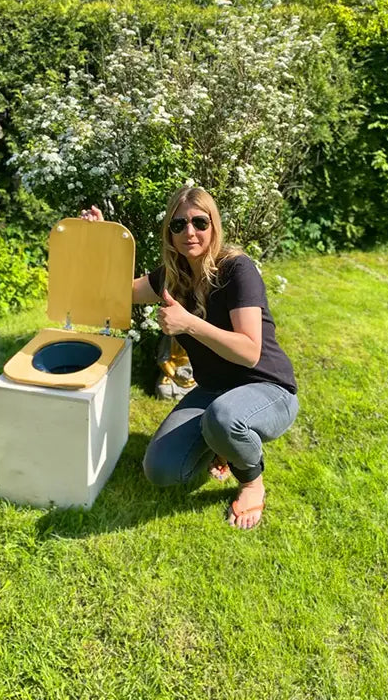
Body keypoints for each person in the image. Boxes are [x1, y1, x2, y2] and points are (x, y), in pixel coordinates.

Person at [80, 186, 298, 530]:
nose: (190, 233)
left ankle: (251, 480)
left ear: (215, 225)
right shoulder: (172, 277)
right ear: (169, 232)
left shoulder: (237, 270)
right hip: (215, 391)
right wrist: (99, 241)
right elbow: (117, 291)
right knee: (162, 470)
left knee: (225, 418)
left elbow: (249, 351)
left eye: (199, 222)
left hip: (268, 388)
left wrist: (190, 323)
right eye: (178, 225)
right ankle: (222, 442)